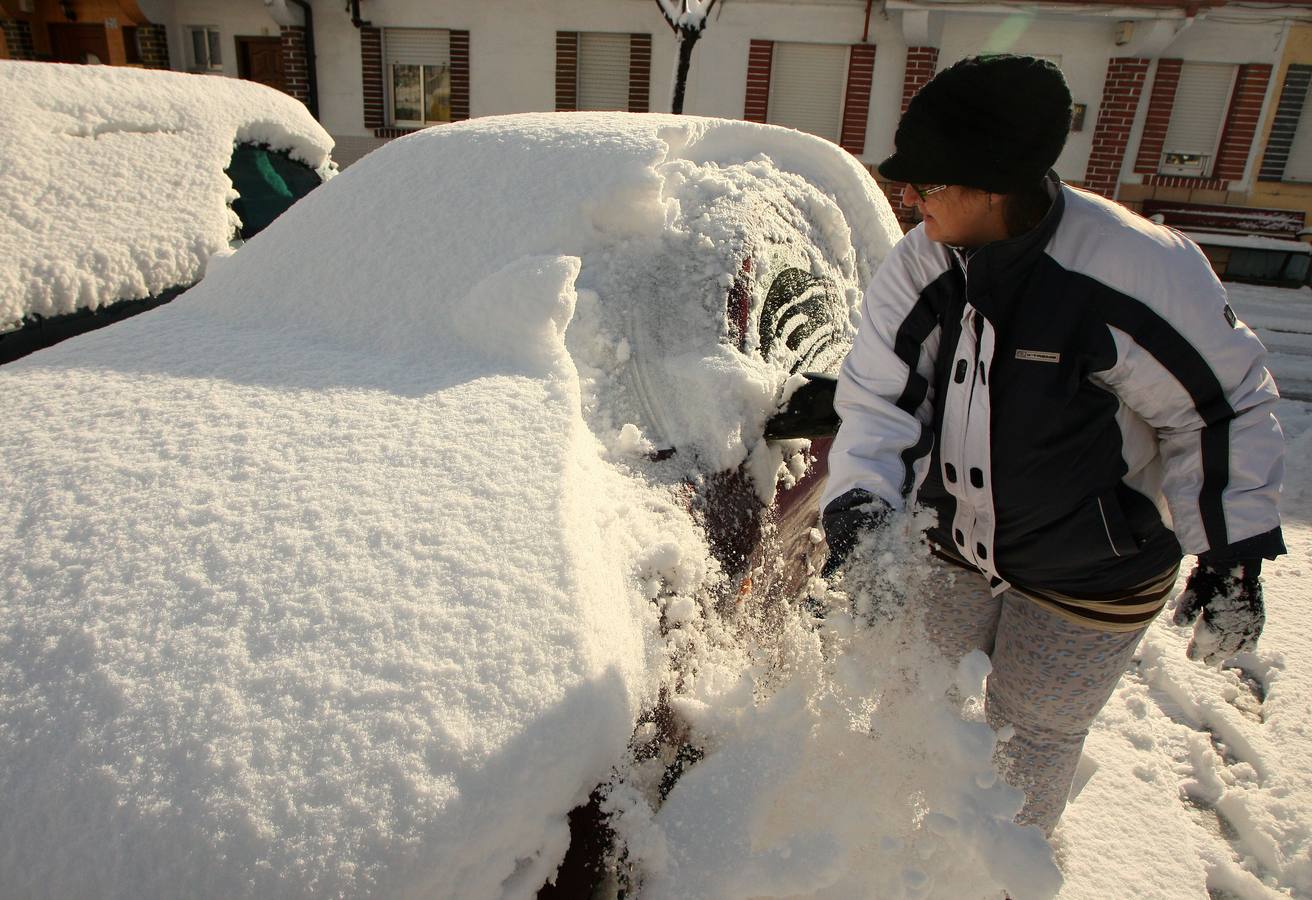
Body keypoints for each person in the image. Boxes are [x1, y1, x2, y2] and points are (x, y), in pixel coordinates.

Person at [820, 54, 1285, 836]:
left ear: (994, 187)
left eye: (927, 184)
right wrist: (863, 505)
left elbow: (1219, 406)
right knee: (903, 697)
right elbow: (878, 396)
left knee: (1029, 737)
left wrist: (1231, 552)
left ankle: (1000, 877)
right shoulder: (923, 263)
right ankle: (881, 855)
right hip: (955, 539)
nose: (907, 197)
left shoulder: (1133, 269)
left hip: (1095, 572)